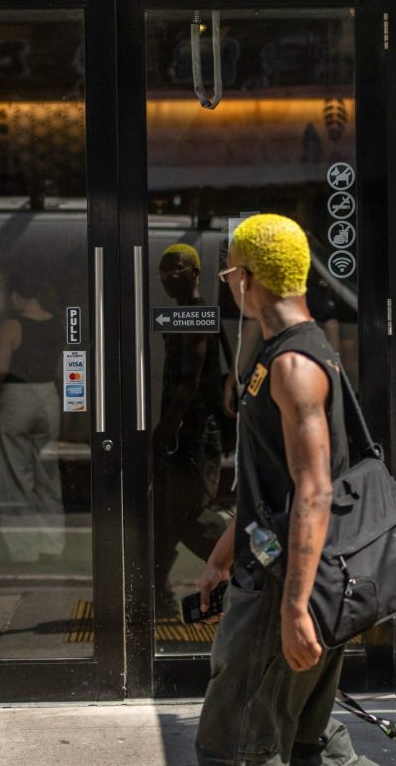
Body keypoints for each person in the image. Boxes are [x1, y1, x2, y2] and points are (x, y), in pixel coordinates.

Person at [195, 214, 377, 766]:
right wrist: (223, 553)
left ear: (248, 278)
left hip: (284, 586)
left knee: (235, 746)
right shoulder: (280, 354)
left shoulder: (295, 364)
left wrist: (295, 607)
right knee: (305, 742)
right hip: (280, 571)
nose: (227, 284)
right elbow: (268, 478)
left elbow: (314, 491)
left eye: (228, 273)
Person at [152, 243, 230, 617]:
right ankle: (157, 595)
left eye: (178, 271)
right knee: (166, 514)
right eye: (164, 273)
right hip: (182, 430)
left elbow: (189, 383)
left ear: (196, 272)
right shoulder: (185, 314)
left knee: (189, 515)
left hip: (192, 432)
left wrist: (163, 432)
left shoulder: (196, 316)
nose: (169, 278)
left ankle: (254, 569)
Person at [0, 267, 66, 563]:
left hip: (17, 395)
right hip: (48, 395)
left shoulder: (11, 326)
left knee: (14, 475)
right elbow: (61, 368)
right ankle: (53, 544)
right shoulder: (58, 324)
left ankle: (24, 550)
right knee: (47, 474)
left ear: (18, 296)